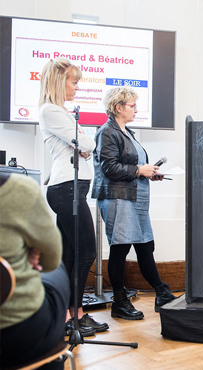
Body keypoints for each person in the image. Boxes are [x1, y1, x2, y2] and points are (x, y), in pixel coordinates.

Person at [92, 87, 177, 319]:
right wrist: (139, 169)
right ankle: (119, 302)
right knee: (120, 249)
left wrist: (148, 173)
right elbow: (108, 168)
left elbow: (130, 167)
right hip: (118, 198)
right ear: (118, 107)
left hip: (135, 197)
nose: (136, 110)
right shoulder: (107, 132)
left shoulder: (126, 132)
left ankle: (162, 293)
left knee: (145, 245)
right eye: (132, 105)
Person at [38, 58, 107, 336]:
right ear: (58, 82)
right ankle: (74, 316)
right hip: (67, 189)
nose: (77, 87)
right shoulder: (51, 111)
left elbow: (84, 145)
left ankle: (68, 315)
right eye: (73, 81)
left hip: (72, 188)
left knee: (68, 256)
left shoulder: (61, 113)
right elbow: (88, 143)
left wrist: (81, 143)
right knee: (86, 252)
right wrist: (82, 142)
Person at [0, 173, 69, 369]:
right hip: (17, 333)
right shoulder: (19, 189)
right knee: (57, 268)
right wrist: (26, 255)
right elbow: (50, 260)